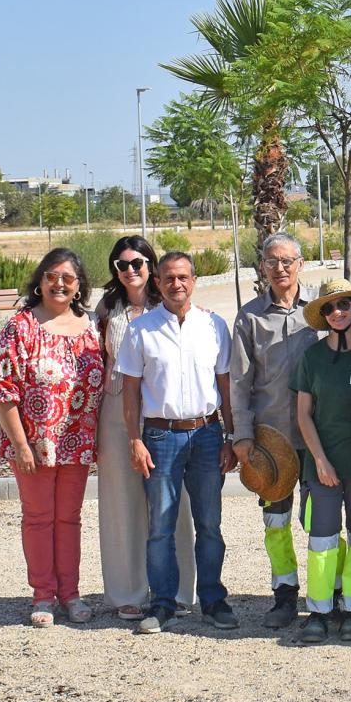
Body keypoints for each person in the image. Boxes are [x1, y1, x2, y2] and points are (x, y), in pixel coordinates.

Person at [117, 252, 238, 635]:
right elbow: (130, 392)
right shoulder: (141, 330)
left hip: (206, 434)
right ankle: (163, 604)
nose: (176, 284)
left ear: (195, 279)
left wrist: (231, 436)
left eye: (183, 277)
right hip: (160, 435)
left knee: (210, 523)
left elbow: (226, 386)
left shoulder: (214, 326)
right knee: (161, 526)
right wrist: (135, 439)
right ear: (157, 281)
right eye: (168, 278)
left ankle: (213, 600)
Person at [0, 248, 105, 627]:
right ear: (40, 281)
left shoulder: (91, 327)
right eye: (52, 276)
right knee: (38, 518)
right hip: (34, 445)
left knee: (69, 519)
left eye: (68, 278)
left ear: (79, 286)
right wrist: (21, 446)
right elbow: (1, 390)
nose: (59, 283)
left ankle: (70, 594)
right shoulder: (20, 327)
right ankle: (43, 596)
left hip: (77, 442)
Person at [94, 236, 195, 620]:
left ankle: (180, 589)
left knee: (173, 500)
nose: (131, 270)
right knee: (122, 503)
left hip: (161, 409)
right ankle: (128, 591)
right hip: (118, 409)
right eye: (122, 265)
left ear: (151, 266)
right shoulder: (106, 310)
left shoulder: (169, 305)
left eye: (138, 263)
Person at [231, 232, 321, 629]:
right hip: (271, 440)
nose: (280, 269)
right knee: (276, 520)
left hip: (320, 439)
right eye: (272, 262)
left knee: (322, 519)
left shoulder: (321, 311)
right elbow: (240, 382)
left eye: (288, 261)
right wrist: (242, 436)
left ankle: (327, 593)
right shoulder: (249, 317)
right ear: (263, 267)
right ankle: (284, 593)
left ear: (301, 264)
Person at [291, 279, 351, 644]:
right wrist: (320, 461)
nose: (337, 313)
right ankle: (320, 611)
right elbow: (304, 415)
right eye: (329, 308)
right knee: (322, 540)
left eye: (344, 305)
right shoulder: (312, 357)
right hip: (322, 468)